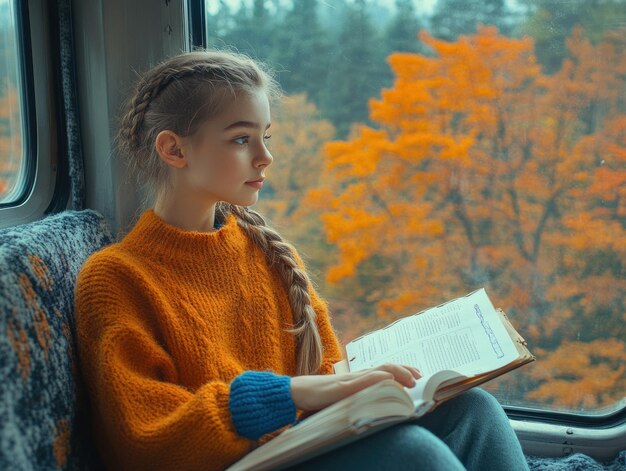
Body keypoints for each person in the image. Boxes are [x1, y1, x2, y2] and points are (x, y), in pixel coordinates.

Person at [74, 49, 529, 471]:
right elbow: (141, 437)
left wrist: (373, 382)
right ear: (174, 149)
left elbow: (328, 369)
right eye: (240, 139)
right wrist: (295, 393)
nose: (265, 157)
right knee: (414, 455)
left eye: (265, 137)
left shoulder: (266, 253)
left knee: (474, 411)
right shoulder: (116, 277)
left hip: (302, 446)